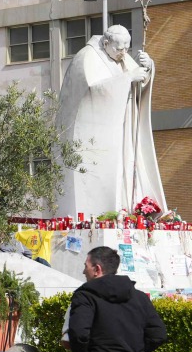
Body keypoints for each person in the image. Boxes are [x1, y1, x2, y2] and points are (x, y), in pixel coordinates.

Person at [55, 24, 165, 218]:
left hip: (123, 129)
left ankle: (129, 210)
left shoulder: (121, 57)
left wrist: (148, 67)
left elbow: (138, 84)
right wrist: (128, 78)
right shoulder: (86, 57)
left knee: (128, 168)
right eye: (118, 48)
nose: (123, 53)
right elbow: (89, 90)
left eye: (126, 48)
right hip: (99, 135)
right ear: (106, 43)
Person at [68, 246, 167, 352]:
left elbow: (79, 334)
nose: (84, 271)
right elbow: (158, 334)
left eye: (86, 266)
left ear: (97, 269)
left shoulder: (85, 296)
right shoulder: (139, 297)